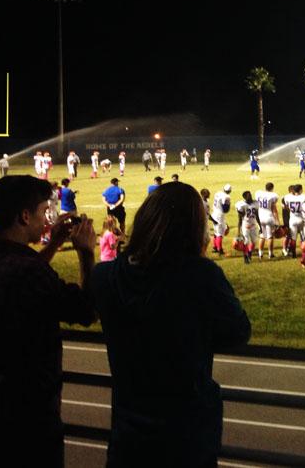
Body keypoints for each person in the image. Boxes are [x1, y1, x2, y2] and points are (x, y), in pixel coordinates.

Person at [92, 182, 251, 467]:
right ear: (191, 228)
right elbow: (239, 331)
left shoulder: (105, 276)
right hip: (186, 432)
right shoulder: (200, 275)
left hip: (128, 431)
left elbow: (85, 308)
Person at [0, 175, 96, 467]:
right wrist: (86, 253)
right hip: (29, 415)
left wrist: (53, 244)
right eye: (43, 212)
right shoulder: (29, 272)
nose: (47, 219)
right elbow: (87, 312)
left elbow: (16, 274)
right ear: (25, 216)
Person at [255, 182, 281, 259]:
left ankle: (260, 254)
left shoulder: (259, 193)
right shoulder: (273, 196)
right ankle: (270, 254)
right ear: (272, 188)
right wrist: (277, 221)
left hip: (260, 217)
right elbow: (274, 209)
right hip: (269, 217)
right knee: (270, 236)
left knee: (262, 236)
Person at [283, 183, 305, 257]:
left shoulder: (287, 197)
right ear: (300, 190)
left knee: (293, 238)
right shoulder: (304, 197)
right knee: (303, 237)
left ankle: (293, 254)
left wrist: (291, 210)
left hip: (293, 219)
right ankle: (304, 253)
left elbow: (286, 206)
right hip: (301, 218)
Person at [236, 190, 260, 264]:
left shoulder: (255, 203)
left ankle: (249, 253)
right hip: (245, 225)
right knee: (246, 242)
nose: (251, 197)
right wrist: (238, 231)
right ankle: (245, 257)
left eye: (251, 195)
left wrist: (260, 226)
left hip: (253, 225)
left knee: (254, 241)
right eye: (249, 196)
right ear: (245, 197)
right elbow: (240, 219)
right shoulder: (241, 205)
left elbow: (257, 215)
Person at [209, 184, 232, 255]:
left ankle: (215, 247)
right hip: (219, 216)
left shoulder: (218, 193)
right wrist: (229, 205)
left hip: (214, 213)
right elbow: (225, 210)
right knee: (220, 233)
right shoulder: (227, 197)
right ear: (230, 191)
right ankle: (220, 250)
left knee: (216, 232)